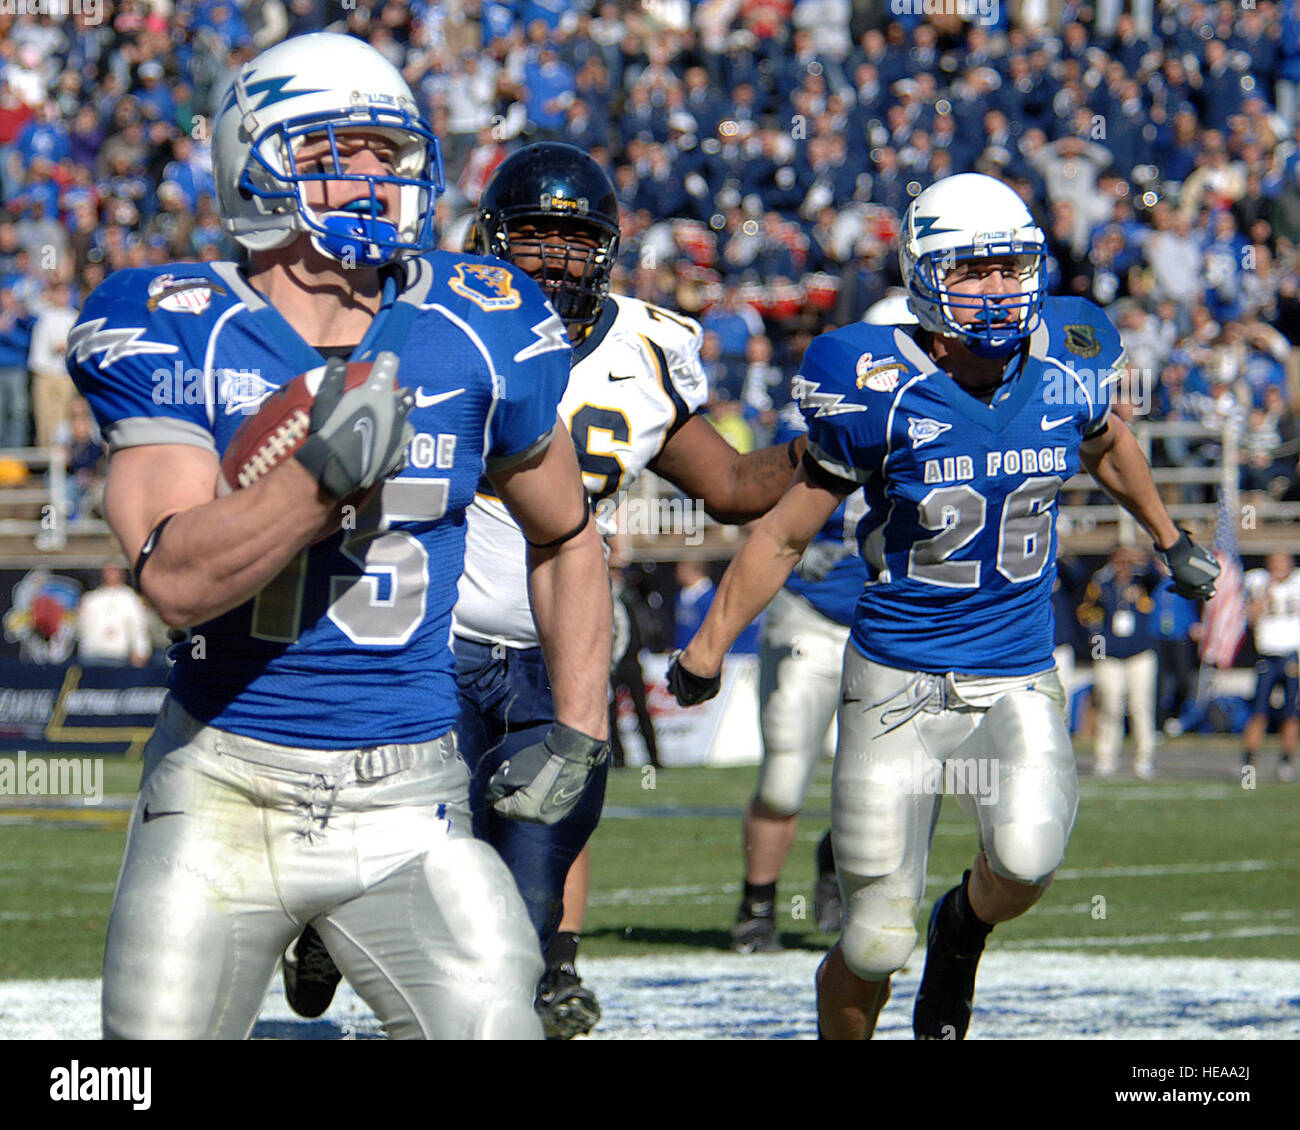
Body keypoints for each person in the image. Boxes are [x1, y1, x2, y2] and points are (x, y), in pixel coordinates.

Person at [67, 33, 612, 1041]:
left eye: (384, 154)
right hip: (223, 787)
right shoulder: (177, 320)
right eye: (333, 153)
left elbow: (569, 533)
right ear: (252, 159)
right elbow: (177, 580)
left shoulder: (484, 317)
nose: (370, 178)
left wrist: (579, 722)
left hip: (410, 793)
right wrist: (318, 477)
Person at [666, 173, 1218, 1040]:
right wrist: (706, 648)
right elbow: (779, 536)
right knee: (877, 941)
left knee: (1028, 860)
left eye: (1011, 268)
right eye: (973, 271)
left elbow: (1108, 443)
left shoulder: (1070, 356)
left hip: (1018, 670)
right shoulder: (876, 381)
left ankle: (960, 928)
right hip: (895, 682)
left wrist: (1168, 536)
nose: (999, 289)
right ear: (925, 275)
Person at [283, 142, 807, 1038]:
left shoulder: (648, 348)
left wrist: (829, 449)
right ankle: (333, 914)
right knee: (412, 867)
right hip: (428, 643)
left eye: (575, 239)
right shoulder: (432, 320)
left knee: (520, 926)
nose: (555, 258)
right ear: (491, 240)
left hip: (553, 658)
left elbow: (729, 487)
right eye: (533, 237)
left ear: (606, 249)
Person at [1078, 547, 1161, 778]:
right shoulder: (1102, 584)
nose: (1124, 565)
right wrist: (1098, 645)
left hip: (1139, 652)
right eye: (1120, 560)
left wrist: (1143, 560)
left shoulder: (1143, 581)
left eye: (1128, 561)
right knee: (1110, 705)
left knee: (1140, 706)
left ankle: (1144, 758)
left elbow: (1158, 576)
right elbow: (1086, 613)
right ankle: (1105, 757)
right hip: (1109, 654)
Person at [1241, 552, 1300, 781]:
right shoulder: (1258, 581)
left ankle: (1285, 761)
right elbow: (1252, 617)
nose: (1278, 567)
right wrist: (1268, 590)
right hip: (1266, 655)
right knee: (1258, 711)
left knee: (1291, 713)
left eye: (1282, 563)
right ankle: (1248, 761)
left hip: (1292, 657)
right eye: (1274, 563)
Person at [76, 562, 152, 666]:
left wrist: (141, 650)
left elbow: (138, 625)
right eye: (108, 571)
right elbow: (81, 626)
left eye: (115, 570)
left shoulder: (130, 598)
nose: (111, 574)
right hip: (92, 654)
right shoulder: (90, 599)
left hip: (118, 655)